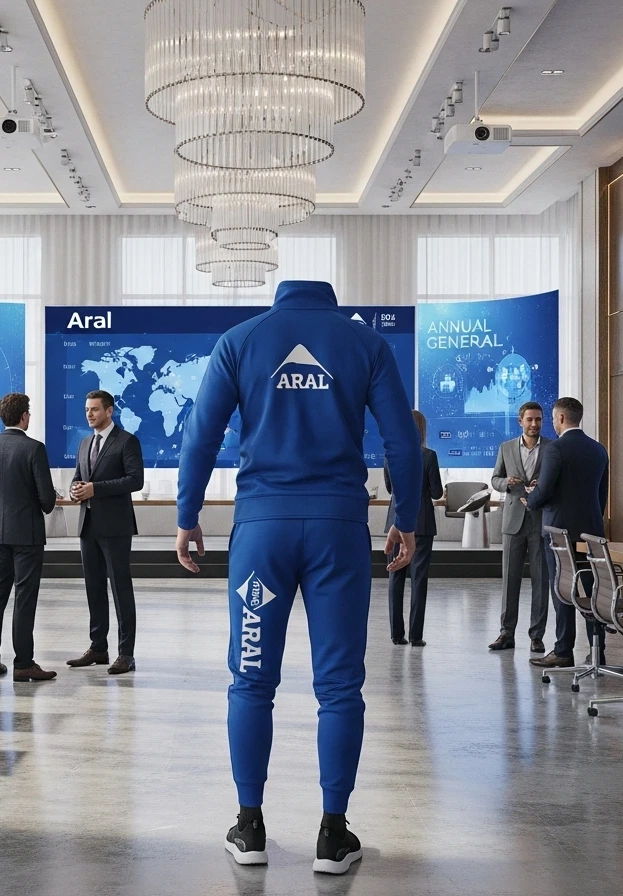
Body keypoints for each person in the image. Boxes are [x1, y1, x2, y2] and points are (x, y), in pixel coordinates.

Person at [174, 280, 422, 876]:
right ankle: (333, 835)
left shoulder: (240, 341)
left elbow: (201, 433)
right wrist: (406, 519)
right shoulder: (366, 344)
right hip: (339, 531)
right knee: (340, 687)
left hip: (262, 533)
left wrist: (187, 515)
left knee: (250, 680)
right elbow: (402, 442)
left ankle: (249, 826)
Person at [0, 393, 58, 682]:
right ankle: (23, 664)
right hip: (27, 535)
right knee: (24, 598)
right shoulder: (34, 449)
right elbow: (47, 501)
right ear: (24, 416)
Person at [524, 397, 609, 669]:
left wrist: (531, 499)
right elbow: (601, 495)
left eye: (552, 418)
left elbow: (545, 490)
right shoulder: (598, 450)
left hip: (559, 532)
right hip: (591, 533)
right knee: (593, 591)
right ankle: (597, 651)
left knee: (563, 591)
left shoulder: (555, 449)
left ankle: (563, 650)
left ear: (560, 418)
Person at [66, 390, 144, 675]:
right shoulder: (85, 442)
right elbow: (79, 476)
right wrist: (75, 489)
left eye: (95, 409)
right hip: (87, 525)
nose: (89, 414)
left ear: (109, 411)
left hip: (115, 527)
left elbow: (135, 480)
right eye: (87, 409)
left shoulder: (127, 441)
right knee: (94, 588)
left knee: (120, 589)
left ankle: (126, 654)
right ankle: (98, 647)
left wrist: (95, 489)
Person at [488, 401, 552, 654]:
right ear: (520, 421)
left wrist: (542, 486)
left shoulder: (552, 448)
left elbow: (557, 482)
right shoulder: (506, 448)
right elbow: (494, 479)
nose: (534, 424)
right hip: (513, 521)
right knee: (509, 580)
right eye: (530, 419)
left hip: (540, 521)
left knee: (541, 581)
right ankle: (506, 633)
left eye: (539, 419)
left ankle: (537, 636)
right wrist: (506, 483)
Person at [383, 409, 443, 647]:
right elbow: (436, 492)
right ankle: (416, 636)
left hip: (395, 523)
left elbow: (390, 489)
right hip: (422, 524)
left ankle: (396, 635)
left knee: (395, 576)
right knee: (419, 579)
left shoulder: (390, 456)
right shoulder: (429, 456)